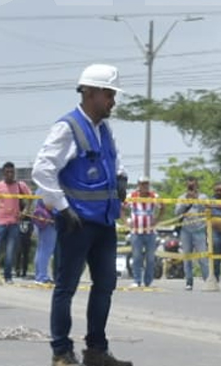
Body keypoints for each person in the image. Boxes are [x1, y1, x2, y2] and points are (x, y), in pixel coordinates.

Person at [31, 64, 131, 366]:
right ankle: (61, 352)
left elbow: (115, 161)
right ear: (90, 93)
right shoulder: (67, 128)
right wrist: (62, 208)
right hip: (76, 222)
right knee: (66, 288)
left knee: (104, 286)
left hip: (103, 222)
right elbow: (42, 170)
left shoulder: (104, 129)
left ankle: (96, 351)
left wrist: (122, 176)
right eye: (109, 94)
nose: (113, 101)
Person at [0, 163, 32, 283]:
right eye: (7, 172)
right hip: (0, 222)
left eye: (12, 172)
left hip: (14, 223)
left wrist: (24, 211)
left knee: (10, 251)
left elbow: (31, 198)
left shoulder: (20, 185)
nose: (10, 174)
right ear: (3, 173)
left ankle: (8, 276)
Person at [172, 179, 211, 290]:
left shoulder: (203, 197)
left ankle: (207, 280)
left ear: (197, 186)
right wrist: (187, 202)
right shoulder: (182, 198)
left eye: (193, 186)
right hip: (186, 231)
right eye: (189, 186)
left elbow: (208, 209)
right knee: (187, 257)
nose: (191, 188)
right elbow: (177, 212)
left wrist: (196, 200)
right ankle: (189, 282)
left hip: (200, 230)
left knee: (202, 257)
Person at [124, 180, 160, 288]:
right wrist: (126, 221)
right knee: (136, 257)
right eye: (142, 184)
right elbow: (122, 208)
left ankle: (148, 281)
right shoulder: (132, 196)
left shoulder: (154, 196)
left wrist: (157, 219)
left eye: (146, 184)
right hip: (136, 232)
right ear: (138, 185)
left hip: (150, 232)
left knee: (150, 258)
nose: (145, 186)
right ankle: (137, 280)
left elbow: (163, 207)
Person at [31, 195, 57, 286]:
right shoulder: (48, 188)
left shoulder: (41, 187)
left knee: (41, 249)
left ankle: (39, 275)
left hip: (44, 221)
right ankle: (42, 276)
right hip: (49, 221)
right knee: (46, 250)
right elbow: (48, 204)